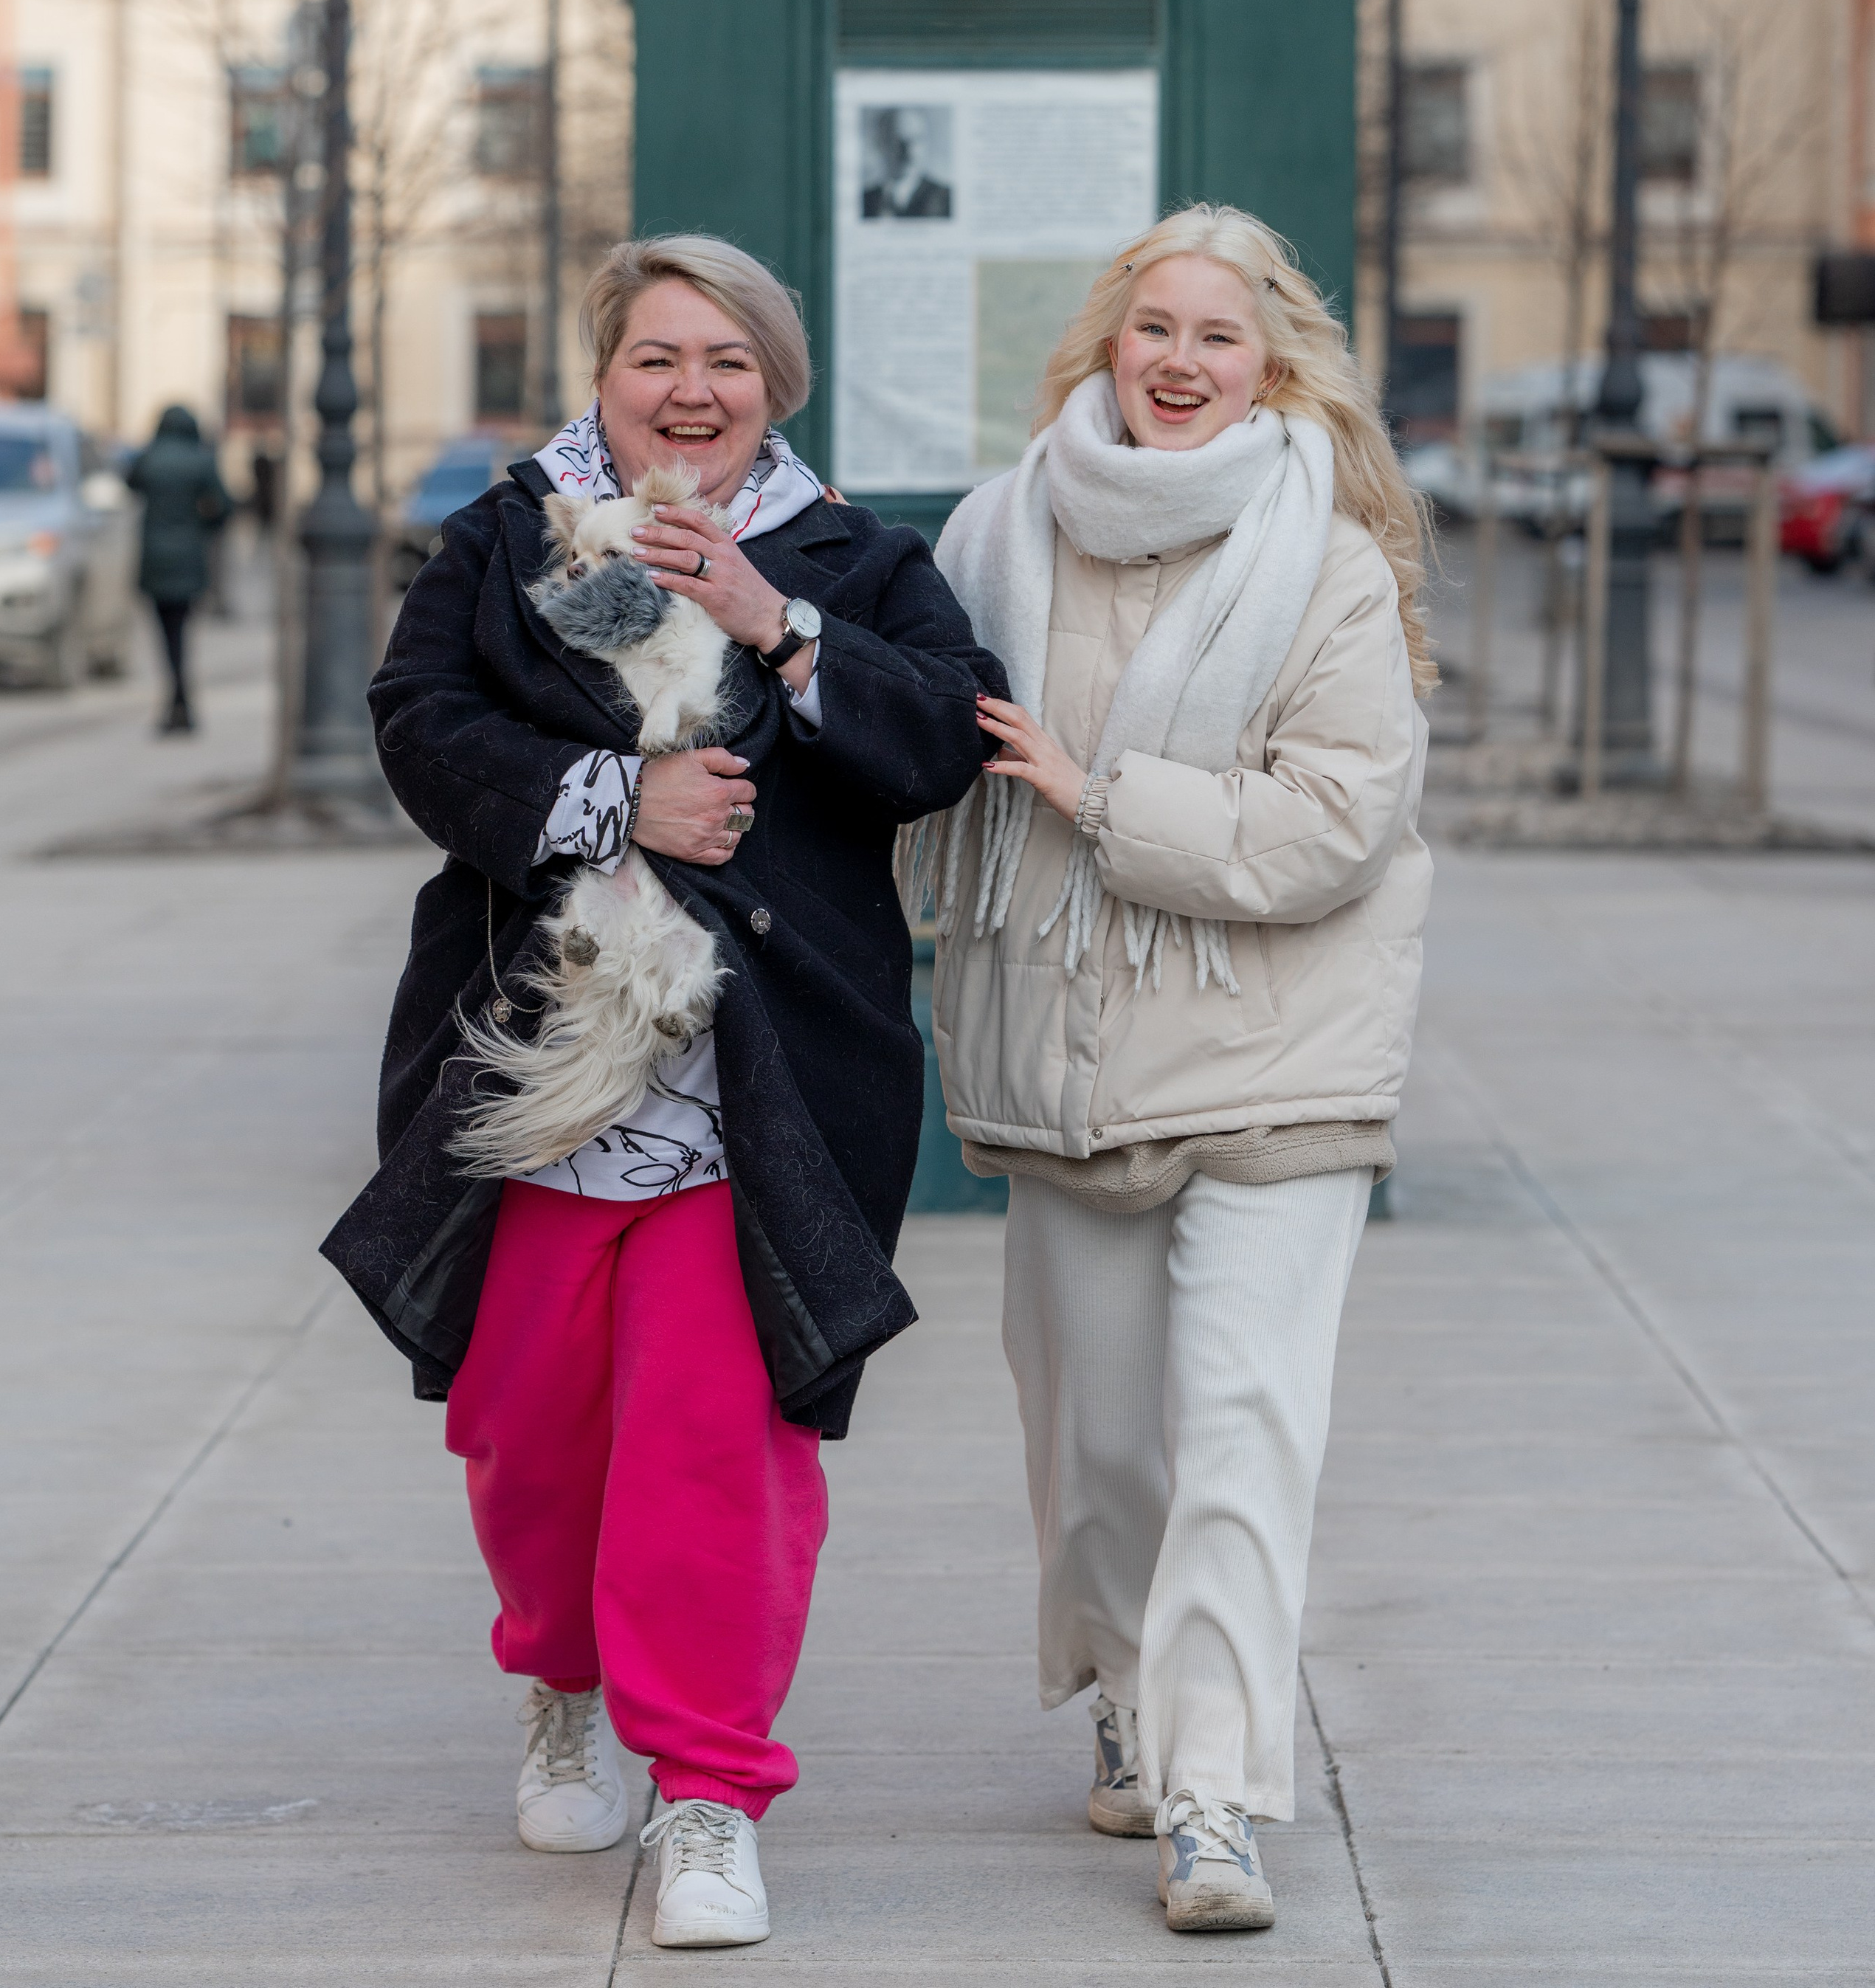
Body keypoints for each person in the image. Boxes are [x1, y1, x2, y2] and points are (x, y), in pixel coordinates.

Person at [322, 234, 1004, 1952]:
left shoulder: (853, 556)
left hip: (760, 1080)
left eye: (726, 360)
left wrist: (772, 622)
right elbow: (417, 722)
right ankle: (560, 1684)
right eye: (654, 356)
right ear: (602, 376)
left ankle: (708, 1791)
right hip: (539, 1066)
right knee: (528, 1434)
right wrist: (615, 797)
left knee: (716, 1449)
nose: (689, 391)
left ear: (775, 386)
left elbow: (944, 734)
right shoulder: (506, 538)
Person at [922, 204, 1434, 1936]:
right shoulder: (994, 536)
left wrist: (1092, 794)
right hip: (1064, 1059)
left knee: (1238, 1438)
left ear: (1271, 366)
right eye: (1154, 326)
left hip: (1279, 1056)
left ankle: (1212, 1795)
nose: (1181, 360)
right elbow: (917, 762)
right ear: (1105, 343)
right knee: (1097, 1453)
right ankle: (1130, 1698)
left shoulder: (1328, 560)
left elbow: (1334, 819)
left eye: (1219, 334)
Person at [124, 405, 234, 734]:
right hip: (189, 556)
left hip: (155, 558)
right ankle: (181, 701)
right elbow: (225, 505)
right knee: (181, 631)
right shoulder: (200, 460)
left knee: (165, 633)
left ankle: (177, 700)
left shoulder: (149, 458)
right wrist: (204, 527)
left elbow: (129, 483)